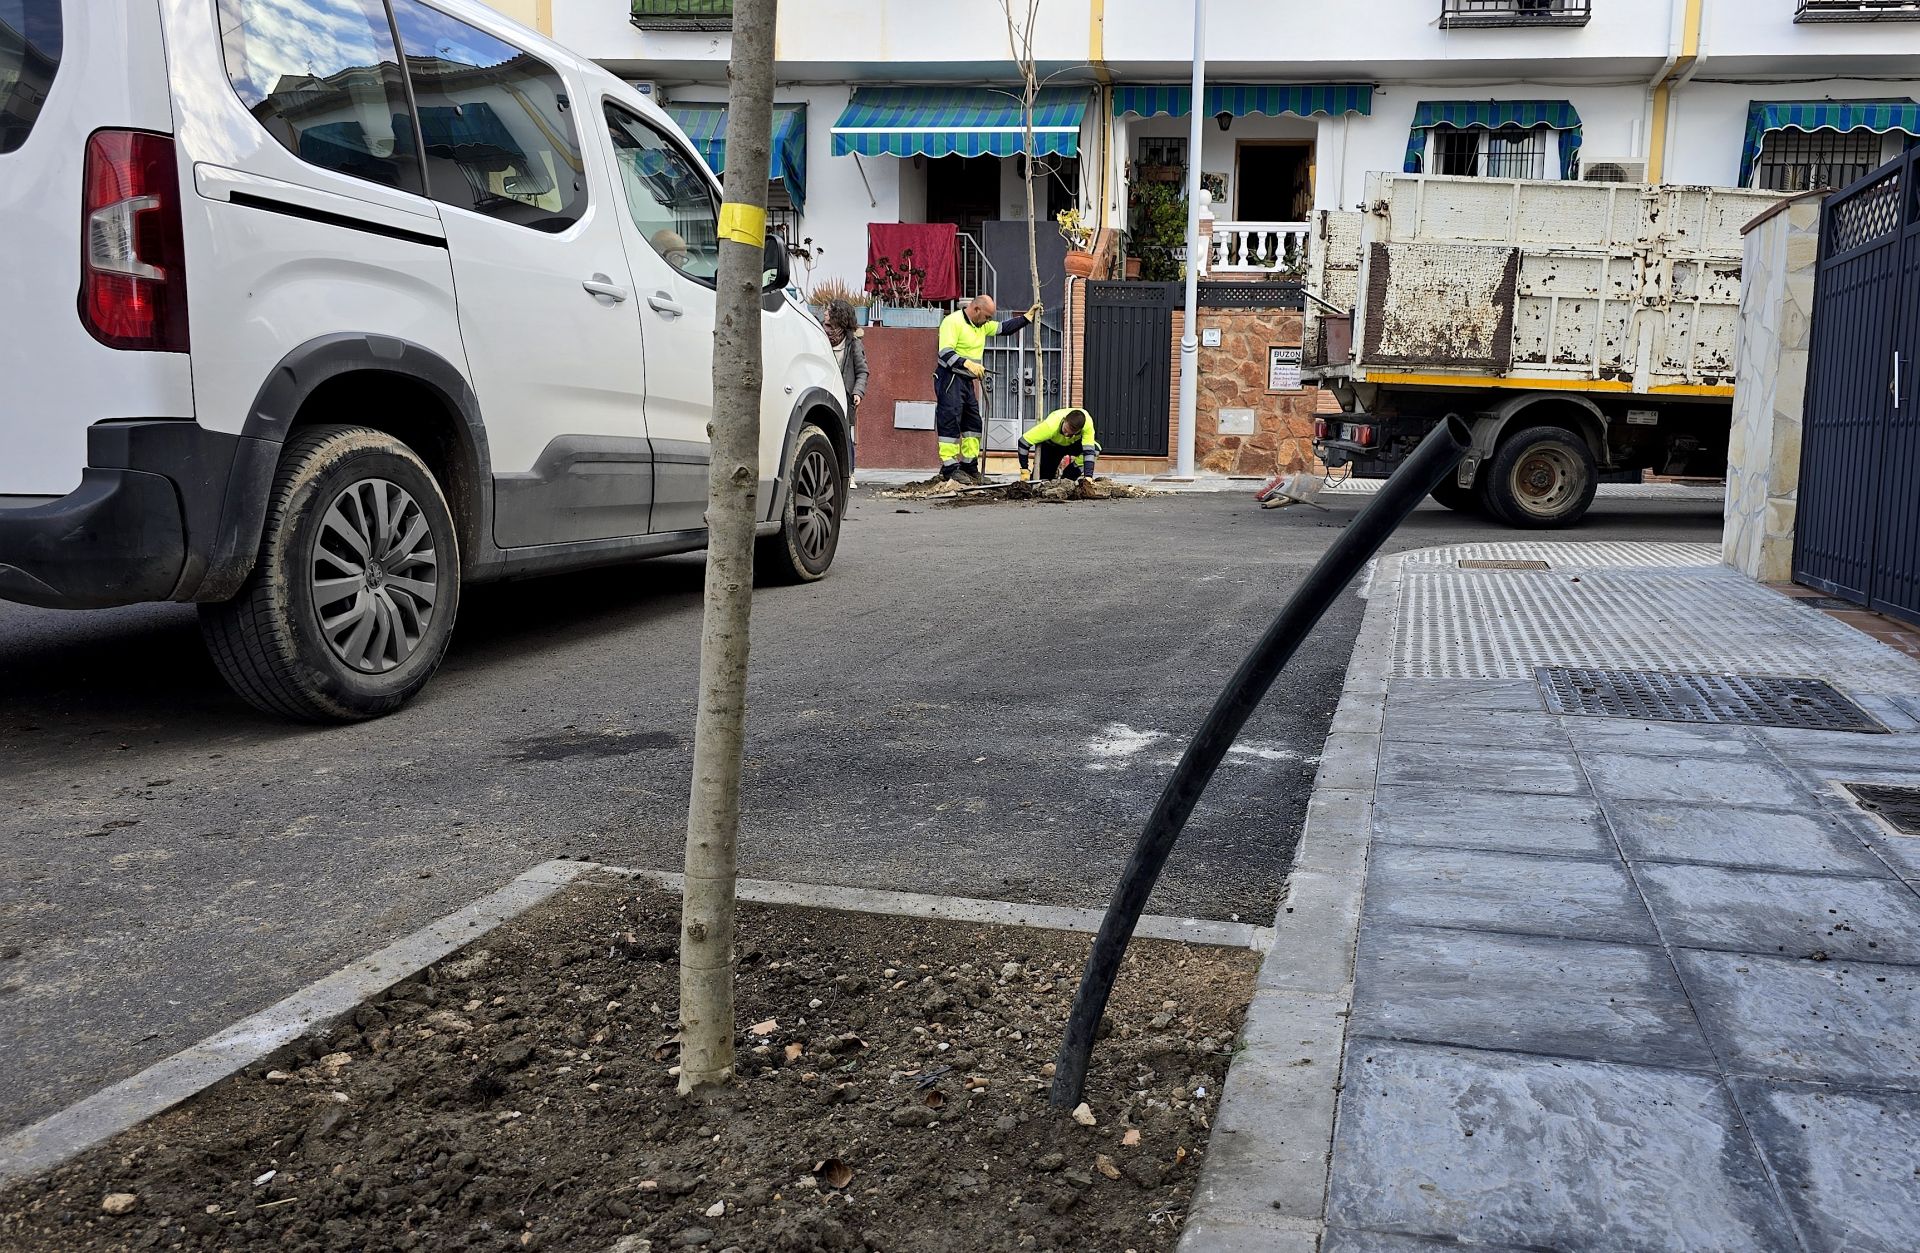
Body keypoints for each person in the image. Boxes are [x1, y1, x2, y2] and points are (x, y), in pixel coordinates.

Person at [934, 294, 1041, 483]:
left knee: (973, 424)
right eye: (987, 317)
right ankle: (950, 467)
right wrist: (967, 363)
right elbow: (945, 353)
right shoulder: (953, 322)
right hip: (949, 378)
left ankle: (968, 466)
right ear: (976, 310)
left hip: (966, 380)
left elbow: (1003, 329)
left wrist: (1025, 319)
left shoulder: (980, 325)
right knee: (950, 421)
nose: (989, 322)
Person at [824, 300, 868, 487]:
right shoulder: (819, 337)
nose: (824, 315)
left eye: (828, 312)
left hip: (844, 397)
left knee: (846, 439)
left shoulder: (853, 344)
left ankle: (849, 474)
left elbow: (862, 371)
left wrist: (857, 392)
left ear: (839, 318)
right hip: (823, 393)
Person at [1018, 407, 1100, 482]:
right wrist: (1024, 469)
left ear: (1079, 430)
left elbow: (1088, 451)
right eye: (1065, 430)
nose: (1066, 435)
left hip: (1073, 444)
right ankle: (1050, 475)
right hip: (1052, 447)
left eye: (1071, 434)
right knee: (1045, 479)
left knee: (1095, 449)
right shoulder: (1050, 425)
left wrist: (1088, 476)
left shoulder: (1087, 425)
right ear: (1064, 420)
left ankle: (1068, 477)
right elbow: (1023, 442)